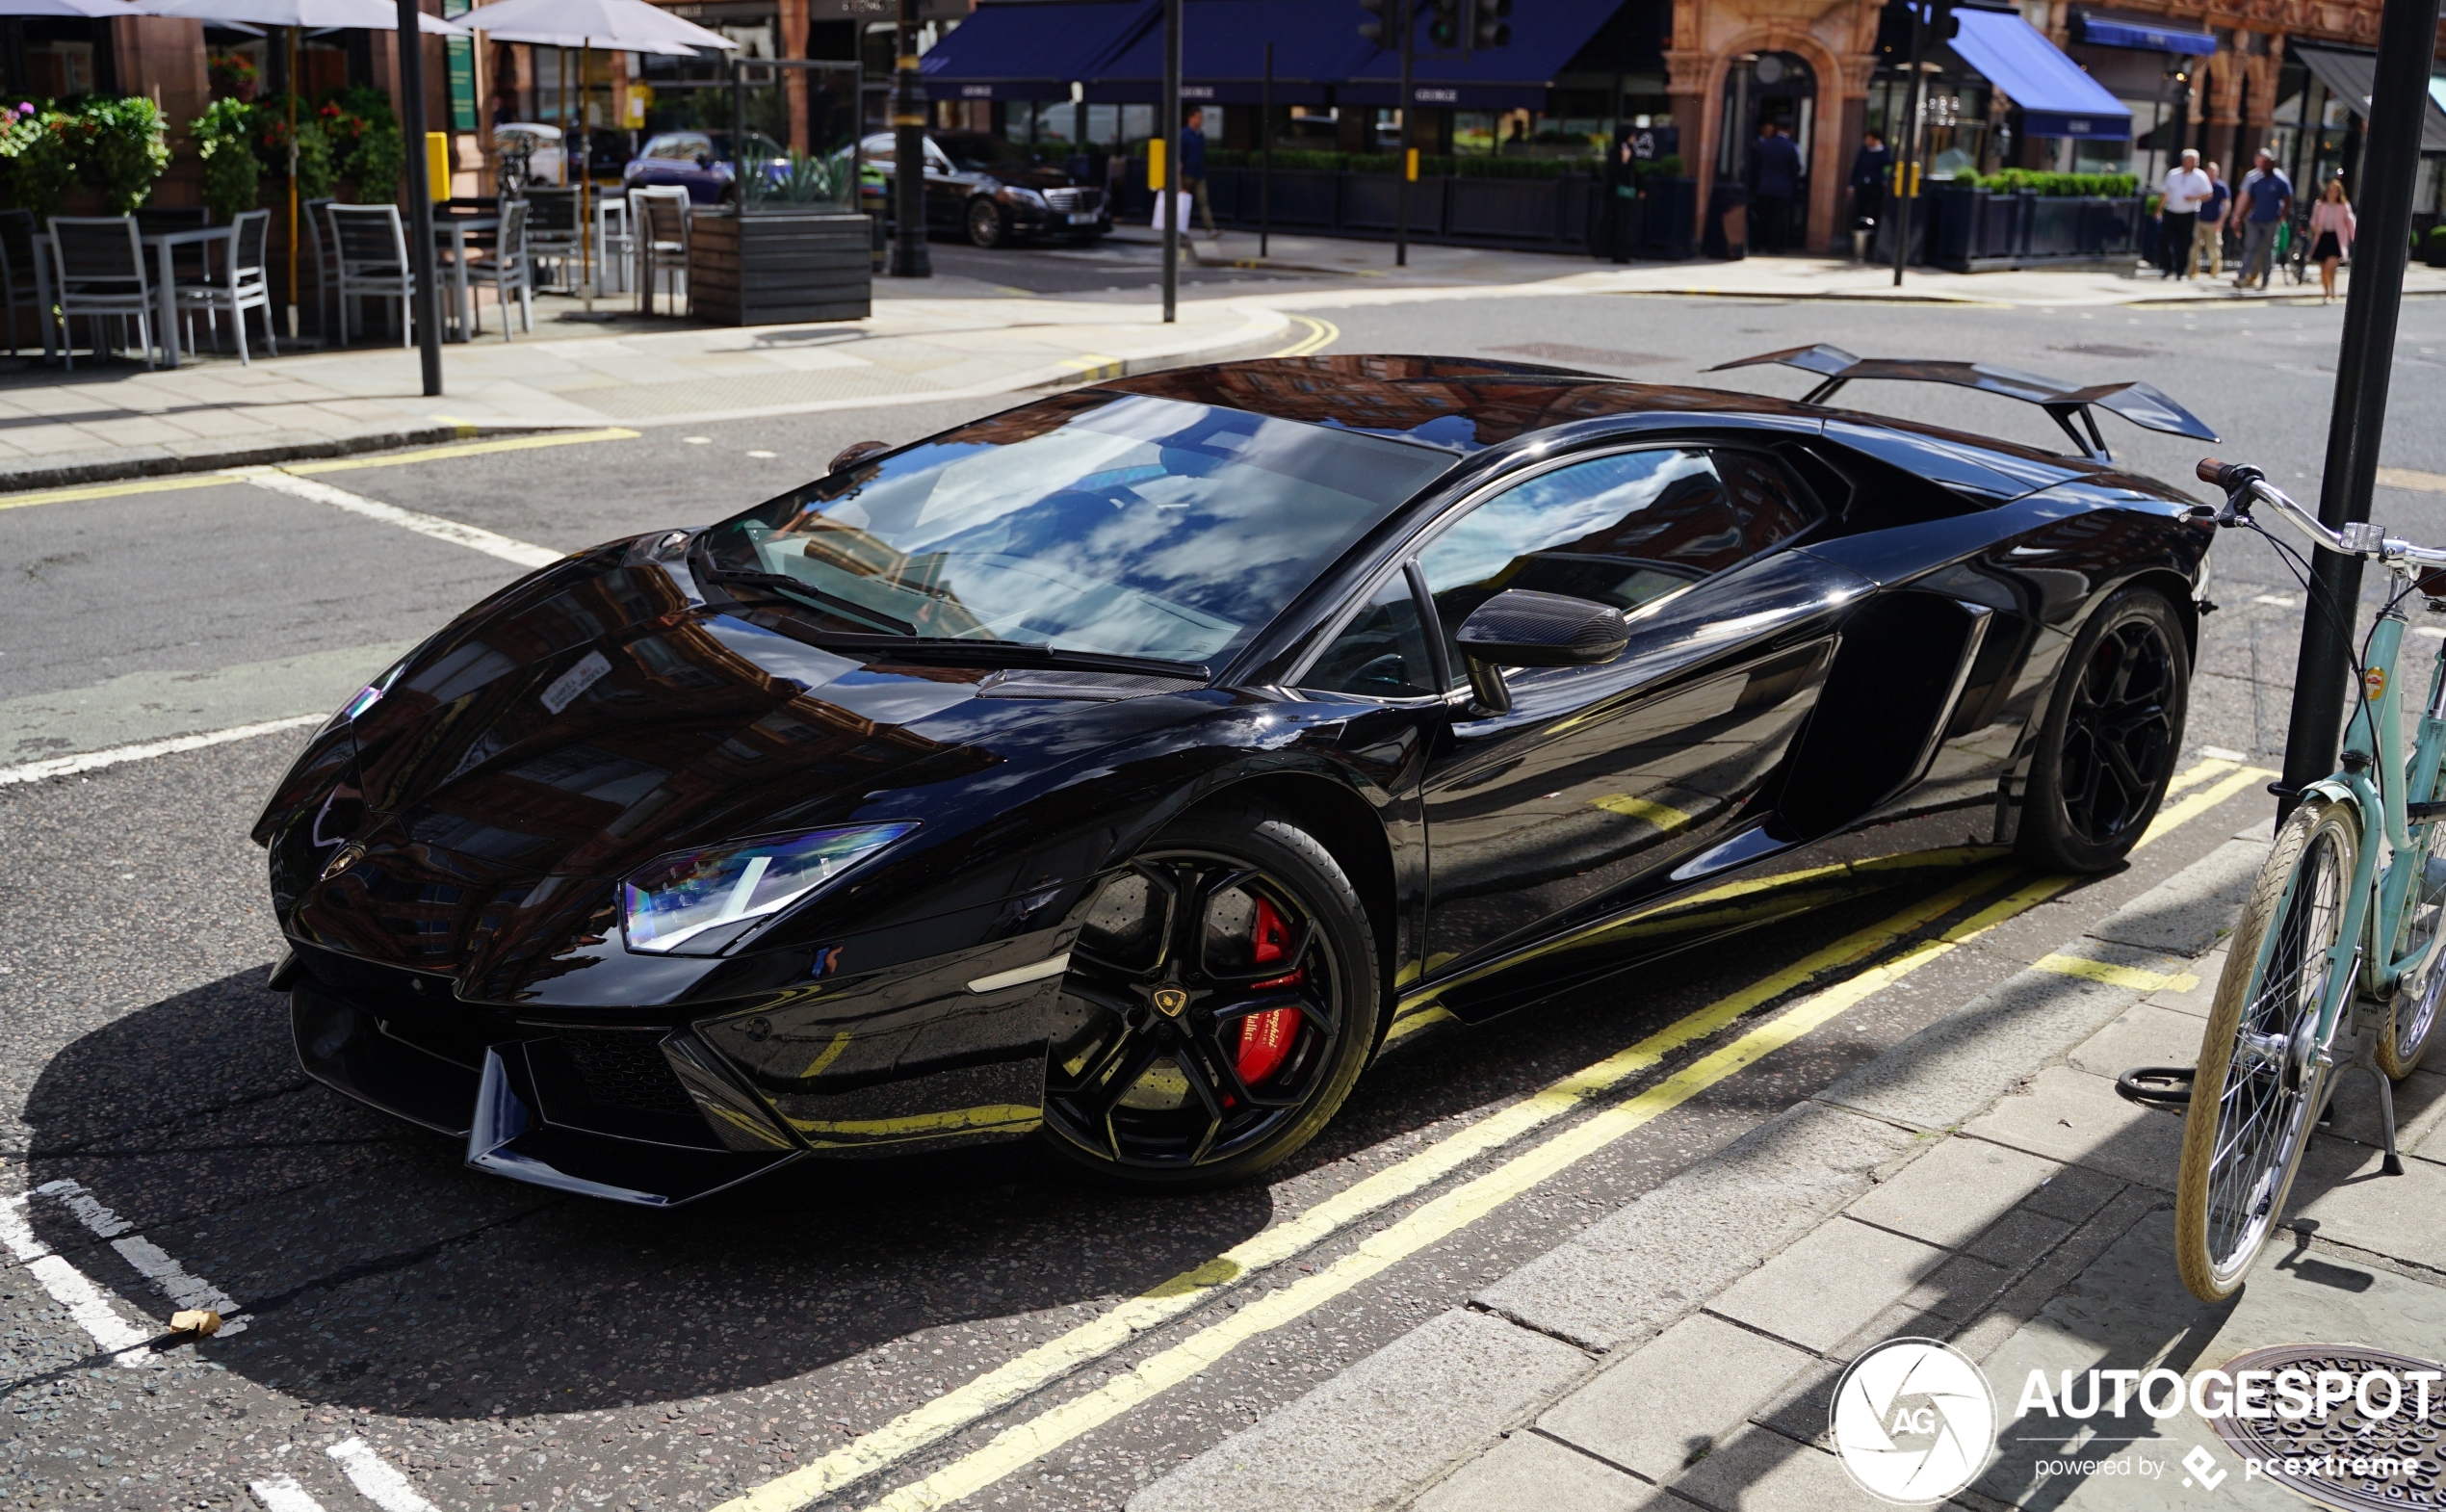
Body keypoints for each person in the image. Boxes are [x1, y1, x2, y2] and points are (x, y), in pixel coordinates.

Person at [2235, 149, 2294, 290]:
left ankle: (2265, 279)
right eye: (2264, 164)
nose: (2266, 167)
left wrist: (2282, 215)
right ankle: (2242, 276)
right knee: (2250, 248)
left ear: (2273, 165)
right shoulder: (2257, 182)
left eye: (2269, 164)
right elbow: (2250, 200)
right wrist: (2240, 217)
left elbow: (2288, 199)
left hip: (2271, 221)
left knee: (2267, 251)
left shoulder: (2280, 182)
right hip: (2255, 220)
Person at [1747, 119, 1802, 253]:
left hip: (1764, 186)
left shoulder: (1765, 145)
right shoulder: (1791, 147)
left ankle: (1756, 245)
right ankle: (1772, 246)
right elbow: (1797, 168)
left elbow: (1756, 166)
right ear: (1789, 130)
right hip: (1782, 188)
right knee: (1777, 218)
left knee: (1762, 216)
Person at [2156, 148, 2210, 279]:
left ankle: (2180, 271)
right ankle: (2167, 267)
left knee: (2184, 243)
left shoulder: (2200, 176)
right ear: (2184, 161)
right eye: (2192, 160)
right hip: (2171, 211)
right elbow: (2165, 193)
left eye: (2196, 160)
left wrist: (2194, 198)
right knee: (2163, 240)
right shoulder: (2173, 174)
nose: (2195, 163)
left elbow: (2208, 194)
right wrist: (2158, 210)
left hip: (2188, 213)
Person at [2308, 174, 2355, 303]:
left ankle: (2332, 289)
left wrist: (2355, 238)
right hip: (2323, 236)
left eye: (2335, 190)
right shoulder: (2319, 204)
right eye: (2330, 190)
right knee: (2322, 268)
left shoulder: (2343, 206)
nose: (2332, 193)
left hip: (2336, 238)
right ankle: (2326, 292)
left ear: (2339, 192)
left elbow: (2350, 222)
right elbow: (2313, 219)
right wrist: (2315, 227)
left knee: (2331, 265)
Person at [1179, 105, 1214, 238]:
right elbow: (1179, 156)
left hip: (1199, 174)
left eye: (1202, 118)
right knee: (1183, 203)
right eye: (1198, 118)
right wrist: (1179, 177)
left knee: (1203, 201)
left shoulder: (1201, 136)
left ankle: (1210, 229)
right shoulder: (1184, 135)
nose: (1201, 121)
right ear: (1191, 118)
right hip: (1186, 174)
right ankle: (1180, 229)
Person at [2191, 160, 2229, 279]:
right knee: (2194, 248)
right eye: (2210, 172)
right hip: (2199, 220)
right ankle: (2193, 271)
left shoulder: (2221, 187)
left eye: (2215, 172)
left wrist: (2221, 221)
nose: (2212, 174)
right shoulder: (2200, 185)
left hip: (2213, 222)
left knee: (2213, 248)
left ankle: (2215, 272)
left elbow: (2226, 204)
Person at [1850, 128, 1891, 234]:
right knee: (1860, 208)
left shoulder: (1884, 151)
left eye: (1869, 139)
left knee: (1874, 209)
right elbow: (1857, 167)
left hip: (1876, 184)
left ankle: (1872, 233)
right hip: (1863, 183)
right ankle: (1860, 232)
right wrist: (1852, 184)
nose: (1867, 141)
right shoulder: (1864, 150)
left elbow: (1887, 164)